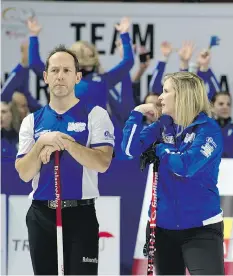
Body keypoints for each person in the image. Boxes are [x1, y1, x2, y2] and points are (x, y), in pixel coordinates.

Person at [15, 45, 114, 275]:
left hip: (80, 214)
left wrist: (66, 143)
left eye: (67, 70)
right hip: (41, 215)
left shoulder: (95, 114)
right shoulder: (32, 121)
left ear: (78, 77)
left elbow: (102, 163)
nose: (60, 76)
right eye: (55, 70)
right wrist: (41, 143)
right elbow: (24, 173)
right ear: (46, 76)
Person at [121, 72, 224, 275]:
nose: (160, 97)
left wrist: (161, 149)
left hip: (201, 229)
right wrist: (136, 113)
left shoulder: (208, 129)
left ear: (183, 96)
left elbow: (185, 166)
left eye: (166, 91)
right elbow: (128, 151)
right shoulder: (163, 125)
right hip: (162, 228)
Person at [212, 91, 233, 158]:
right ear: (211, 106)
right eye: (221, 104)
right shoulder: (203, 130)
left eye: (228, 104)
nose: (225, 107)